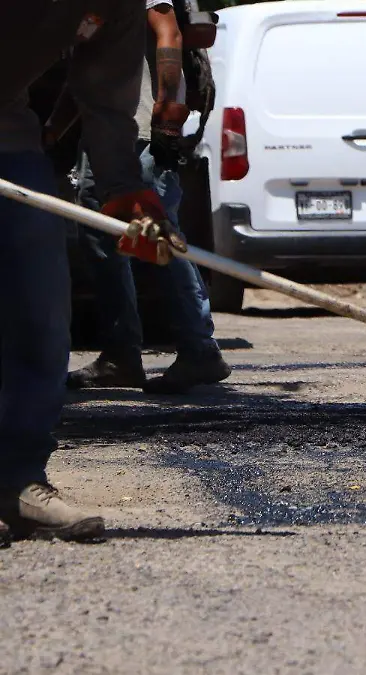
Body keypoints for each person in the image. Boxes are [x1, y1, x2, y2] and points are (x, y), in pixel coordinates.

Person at [0, 0, 187, 542]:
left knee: (39, 304)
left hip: (8, 132)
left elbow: (106, 99)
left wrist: (124, 187)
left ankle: (17, 476)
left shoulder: (118, 6)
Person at [64, 0, 231, 395]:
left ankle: (198, 349)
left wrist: (168, 106)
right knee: (103, 237)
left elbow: (168, 31)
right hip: (111, 131)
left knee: (159, 236)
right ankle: (122, 354)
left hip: (140, 131)